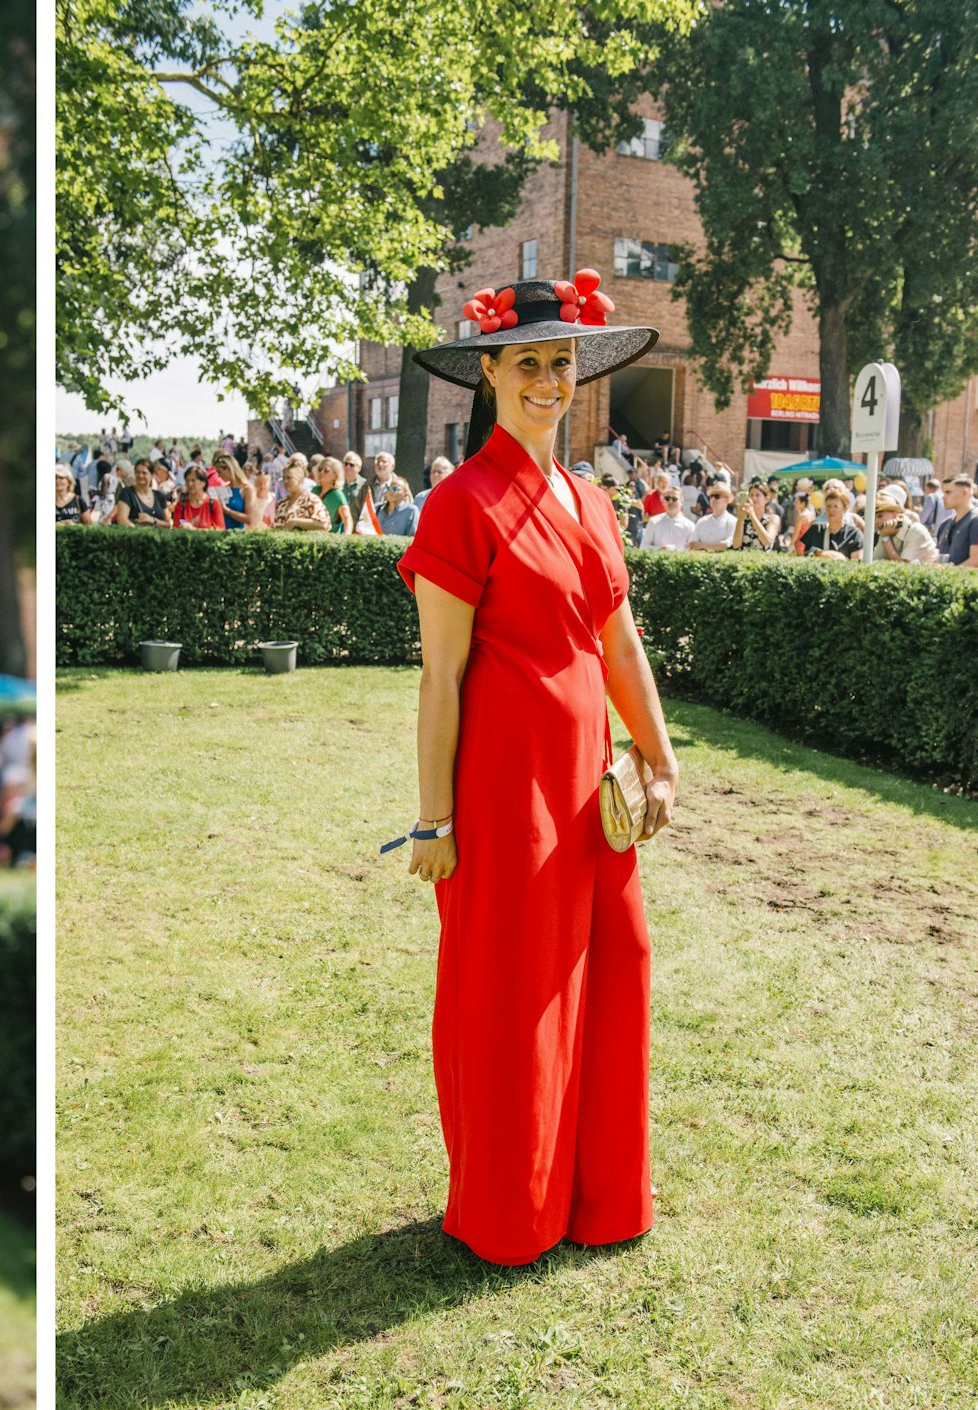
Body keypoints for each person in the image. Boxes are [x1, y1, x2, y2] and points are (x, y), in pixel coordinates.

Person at [398, 269, 675, 1266]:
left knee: (614, 969)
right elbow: (439, 676)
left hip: (589, 783)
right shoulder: (458, 505)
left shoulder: (591, 501)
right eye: (528, 364)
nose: (549, 380)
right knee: (513, 996)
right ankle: (509, 1210)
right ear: (489, 373)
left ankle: (597, 1198)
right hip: (504, 786)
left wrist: (656, 752)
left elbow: (620, 644)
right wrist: (433, 821)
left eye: (562, 363)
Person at [872, 484, 939, 563]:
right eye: (873, 518)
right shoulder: (886, 531)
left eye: (880, 516)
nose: (876, 522)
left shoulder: (916, 531)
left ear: (895, 513)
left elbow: (904, 568)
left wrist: (886, 540)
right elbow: (874, 562)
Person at [795, 481, 863, 559]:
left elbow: (856, 563)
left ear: (844, 509)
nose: (831, 510)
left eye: (835, 506)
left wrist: (841, 558)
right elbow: (802, 554)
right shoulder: (816, 530)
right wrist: (822, 554)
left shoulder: (853, 535)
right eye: (828, 506)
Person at [935, 476, 978, 567]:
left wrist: (947, 573)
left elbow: (976, 562)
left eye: (948, 492)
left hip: (966, 580)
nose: (943, 497)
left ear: (965, 493)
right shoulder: (945, 523)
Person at [111, 460, 173, 528]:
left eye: (144, 473)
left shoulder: (160, 496)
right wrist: (140, 532)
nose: (140, 475)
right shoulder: (127, 493)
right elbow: (122, 520)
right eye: (137, 472)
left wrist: (153, 520)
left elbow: (168, 524)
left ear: (152, 475)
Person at [274, 459, 331, 531]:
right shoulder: (281, 503)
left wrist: (295, 522)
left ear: (300, 479)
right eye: (284, 478)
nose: (285, 481)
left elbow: (323, 524)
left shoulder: (311, 500)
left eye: (289, 478)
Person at [730, 481, 783, 552]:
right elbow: (736, 545)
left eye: (757, 495)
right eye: (751, 495)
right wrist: (740, 519)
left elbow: (767, 542)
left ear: (767, 499)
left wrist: (752, 515)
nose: (753, 498)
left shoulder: (773, 518)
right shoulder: (745, 519)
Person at [171, 465, 226, 529]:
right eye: (187, 481)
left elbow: (220, 530)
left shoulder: (213, 504)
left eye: (193, 480)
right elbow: (176, 528)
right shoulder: (181, 505)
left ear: (203, 483)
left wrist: (193, 529)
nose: (189, 484)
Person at [687, 483, 738, 551]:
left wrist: (700, 546)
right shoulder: (701, 521)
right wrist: (715, 546)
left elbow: (726, 545)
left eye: (717, 496)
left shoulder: (733, 521)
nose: (713, 499)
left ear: (727, 499)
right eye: (711, 496)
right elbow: (692, 544)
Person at [315, 456, 354, 533]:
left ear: (335, 476)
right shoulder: (314, 490)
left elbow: (347, 519)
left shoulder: (337, 495)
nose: (321, 472)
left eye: (326, 470)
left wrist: (346, 539)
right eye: (320, 469)